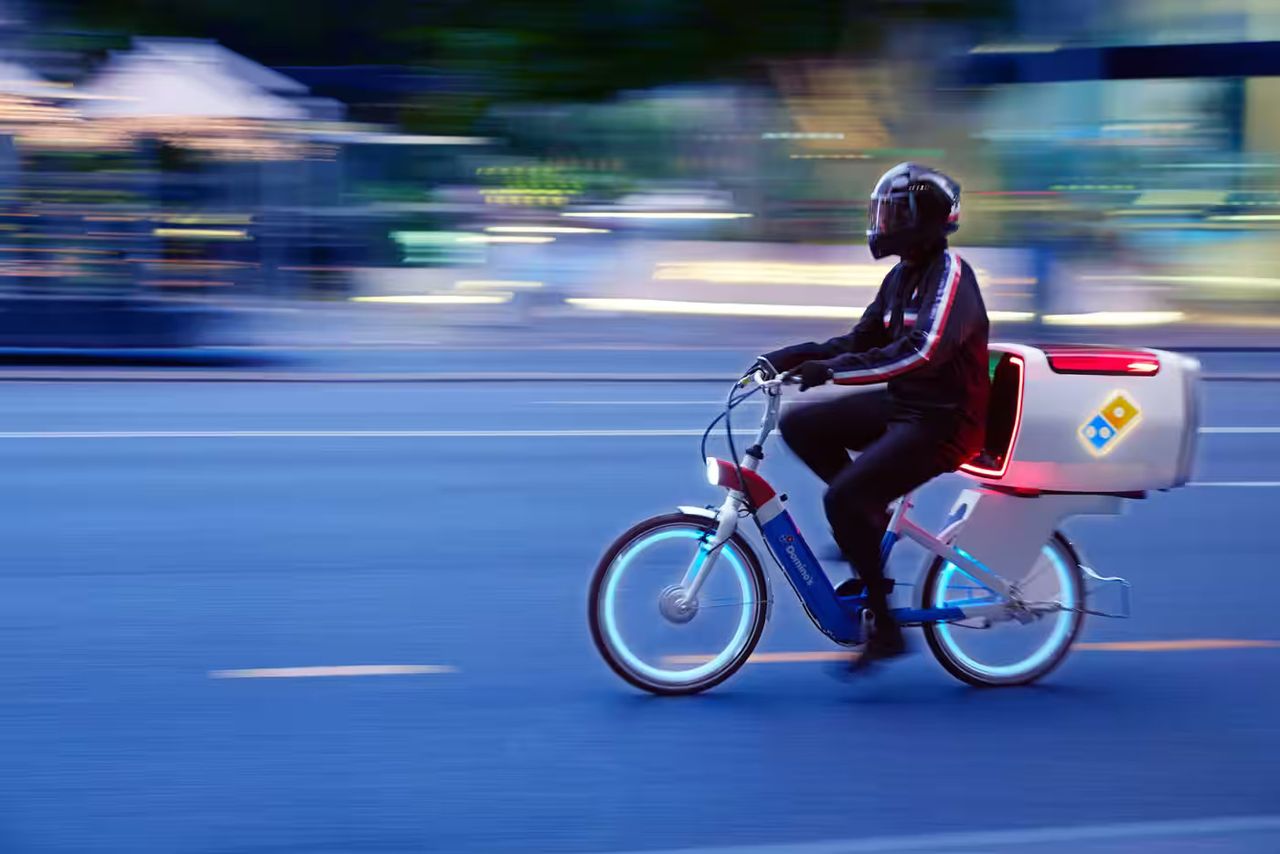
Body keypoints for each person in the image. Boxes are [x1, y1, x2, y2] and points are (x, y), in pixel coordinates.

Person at [752, 162, 990, 670]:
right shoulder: (901, 277)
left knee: (843, 498)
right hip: (908, 408)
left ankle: (885, 629)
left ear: (921, 219)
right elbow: (861, 341)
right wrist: (795, 355)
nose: (882, 223)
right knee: (800, 425)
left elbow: (919, 353)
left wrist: (833, 372)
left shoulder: (952, 279)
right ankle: (867, 518)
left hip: (945, 423)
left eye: (892, 213)